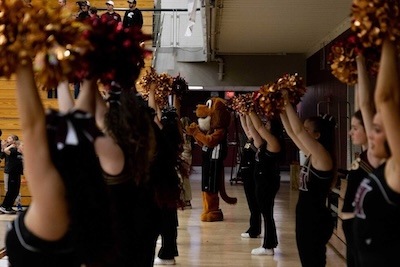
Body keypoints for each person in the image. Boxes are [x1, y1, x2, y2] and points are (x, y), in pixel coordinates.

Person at [5, 58, 115, 266]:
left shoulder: (53, 201)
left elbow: (32, 124)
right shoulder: (75, 194)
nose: (25, 149)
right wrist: (87, 76)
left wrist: (21, 58)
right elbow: (80, 121)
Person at [352, 38, 400, 267]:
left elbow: (385, 98)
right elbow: (366, 106)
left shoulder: (397, 168)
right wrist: (360, 59)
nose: (371, 133)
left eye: (378, 129)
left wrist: (388, 40)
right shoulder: (384, 162)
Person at [280, 96, 336, 266]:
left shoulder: (322, 155)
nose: (303, 132)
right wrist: (280, 109)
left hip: (315, 219)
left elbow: (297, 131)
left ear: (317, 135)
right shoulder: (312, 154)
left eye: (307, 130)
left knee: (313, 262)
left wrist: (286, 100)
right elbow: (291, 132)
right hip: (306, 217)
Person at [341, 54, 381, 267]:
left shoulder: (377, 155)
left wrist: (359, 60)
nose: (350, 132)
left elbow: (366, 105)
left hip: (366, 234)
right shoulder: (365, 153)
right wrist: (357, 72)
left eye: (355, 128)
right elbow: (359, 105)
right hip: (353, 234)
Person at [244, 112, 283, 255]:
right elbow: (253, 128)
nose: (265, 125)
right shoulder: (263, 143)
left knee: (267, 214)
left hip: (268, 183)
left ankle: (268, 246)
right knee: (266, 213)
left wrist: (250, 110)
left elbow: (259, 127)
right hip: (261, 182)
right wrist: (245, 113)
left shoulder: (274, 142)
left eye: (268, 124)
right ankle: (268, 244)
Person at [238, 114, 260, 239]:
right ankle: (254, 227)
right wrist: (243, 114)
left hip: (252, 176)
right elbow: (246, 126)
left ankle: (254, 229)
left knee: (254, 204)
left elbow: (251, 126)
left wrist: (249, 113)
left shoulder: (258, 141)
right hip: (246, 175)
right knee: (251, 203)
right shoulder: (250, 139)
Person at [0, 139, 23, 214]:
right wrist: (10, 146)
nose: (23, 147)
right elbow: (5, 150)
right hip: (12, 174)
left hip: (18, 174)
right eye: (22, 145)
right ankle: (4, 206)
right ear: (17, 146)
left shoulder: (21, 154)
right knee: (10, 191)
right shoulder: (14, 151)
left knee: (16, 192)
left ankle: (9, 207)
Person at [180, 116, 193, 209]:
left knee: (183, 179)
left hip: (184, 156)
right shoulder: (190, 135)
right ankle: (186, 199)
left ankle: (186, 199)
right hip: (188, 157)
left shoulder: (183, 135)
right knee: (185, 178)